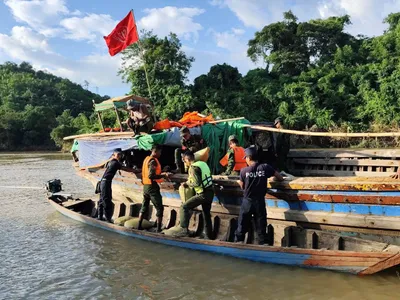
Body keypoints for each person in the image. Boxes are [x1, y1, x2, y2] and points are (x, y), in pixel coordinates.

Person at [235, 146, 284, 245]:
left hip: (247, 201)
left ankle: (238, 242)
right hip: (259, 201)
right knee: (261, 224)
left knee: (242, 223)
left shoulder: (244, 171)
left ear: (248, 158)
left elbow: (242, 185)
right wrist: (272, 179)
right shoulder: (265, 167)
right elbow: (280, 178)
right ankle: (262, 244)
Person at [174, 151, 214, 239]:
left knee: (184, 207)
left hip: (202, 194)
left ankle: (184, 230)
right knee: (206, 214)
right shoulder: (203, 164)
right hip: (210, 192)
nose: (185, 163)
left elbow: (196, 182)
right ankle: (209, 236)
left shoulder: (193, 168)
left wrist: (187, 183)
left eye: (184, 161)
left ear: (188, 159)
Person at [138, 144, 171, 232]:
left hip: (145, 186)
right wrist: (163, 175)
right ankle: (158, 229)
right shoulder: (153, 161)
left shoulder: (146, 159)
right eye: (160, 152)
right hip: (152, 186)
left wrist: (162, 171)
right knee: (159, 207)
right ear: (155, 151)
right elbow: (151, 175)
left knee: (144, 206)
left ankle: (139, 226)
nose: (160, 154)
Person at [98, 148, 136, 222]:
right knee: (107, 200)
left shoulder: (111, 161)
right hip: (106, 183)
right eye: (118, 155)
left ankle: (100, 216)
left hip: (104, 182)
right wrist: (136, 171)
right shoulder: (115, 163)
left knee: (102, 200)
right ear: (114, 155)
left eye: (120, 155)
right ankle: (107, 218)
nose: (119, 156)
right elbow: (125, 169)